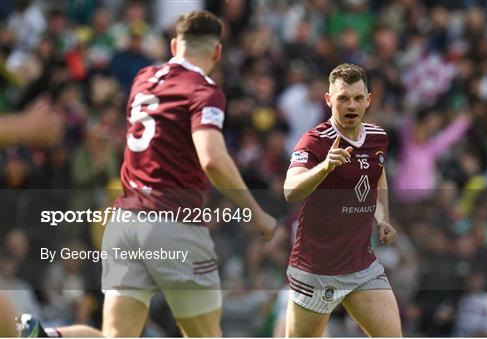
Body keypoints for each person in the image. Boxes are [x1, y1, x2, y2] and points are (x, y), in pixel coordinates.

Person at [18, 10, 276, 338]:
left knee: (116, 335)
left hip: (125, 223)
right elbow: (212, 159)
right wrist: (256, 212)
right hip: (174, 224)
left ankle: (50, 336)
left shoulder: (143, 79)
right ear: (217, 52)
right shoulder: (204, 90)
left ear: (172, 46)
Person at [283, 63, 401, 337]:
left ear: (368, 100)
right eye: (343, 98)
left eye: (358, 98)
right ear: (328, 100)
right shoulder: (314, 141)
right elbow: (290, 190)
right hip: (316, 269)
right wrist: (324, 168)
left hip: (361, 265)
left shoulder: (377, 137)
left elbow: (377, 176)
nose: (351, 105)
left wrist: (382, 219)